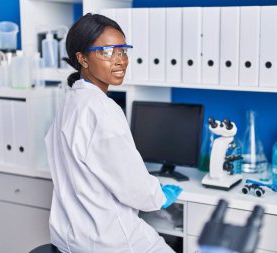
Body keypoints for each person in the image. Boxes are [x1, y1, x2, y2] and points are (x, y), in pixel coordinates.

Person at [45, 13, 182, 253]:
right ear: (83, 59)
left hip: (69, 239)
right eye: (107, 52)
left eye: (123, 50)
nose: (120, 61)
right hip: (108, 241)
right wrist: (158, 196)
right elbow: (133, 186)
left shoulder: (71, 102)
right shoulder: (102, 110)